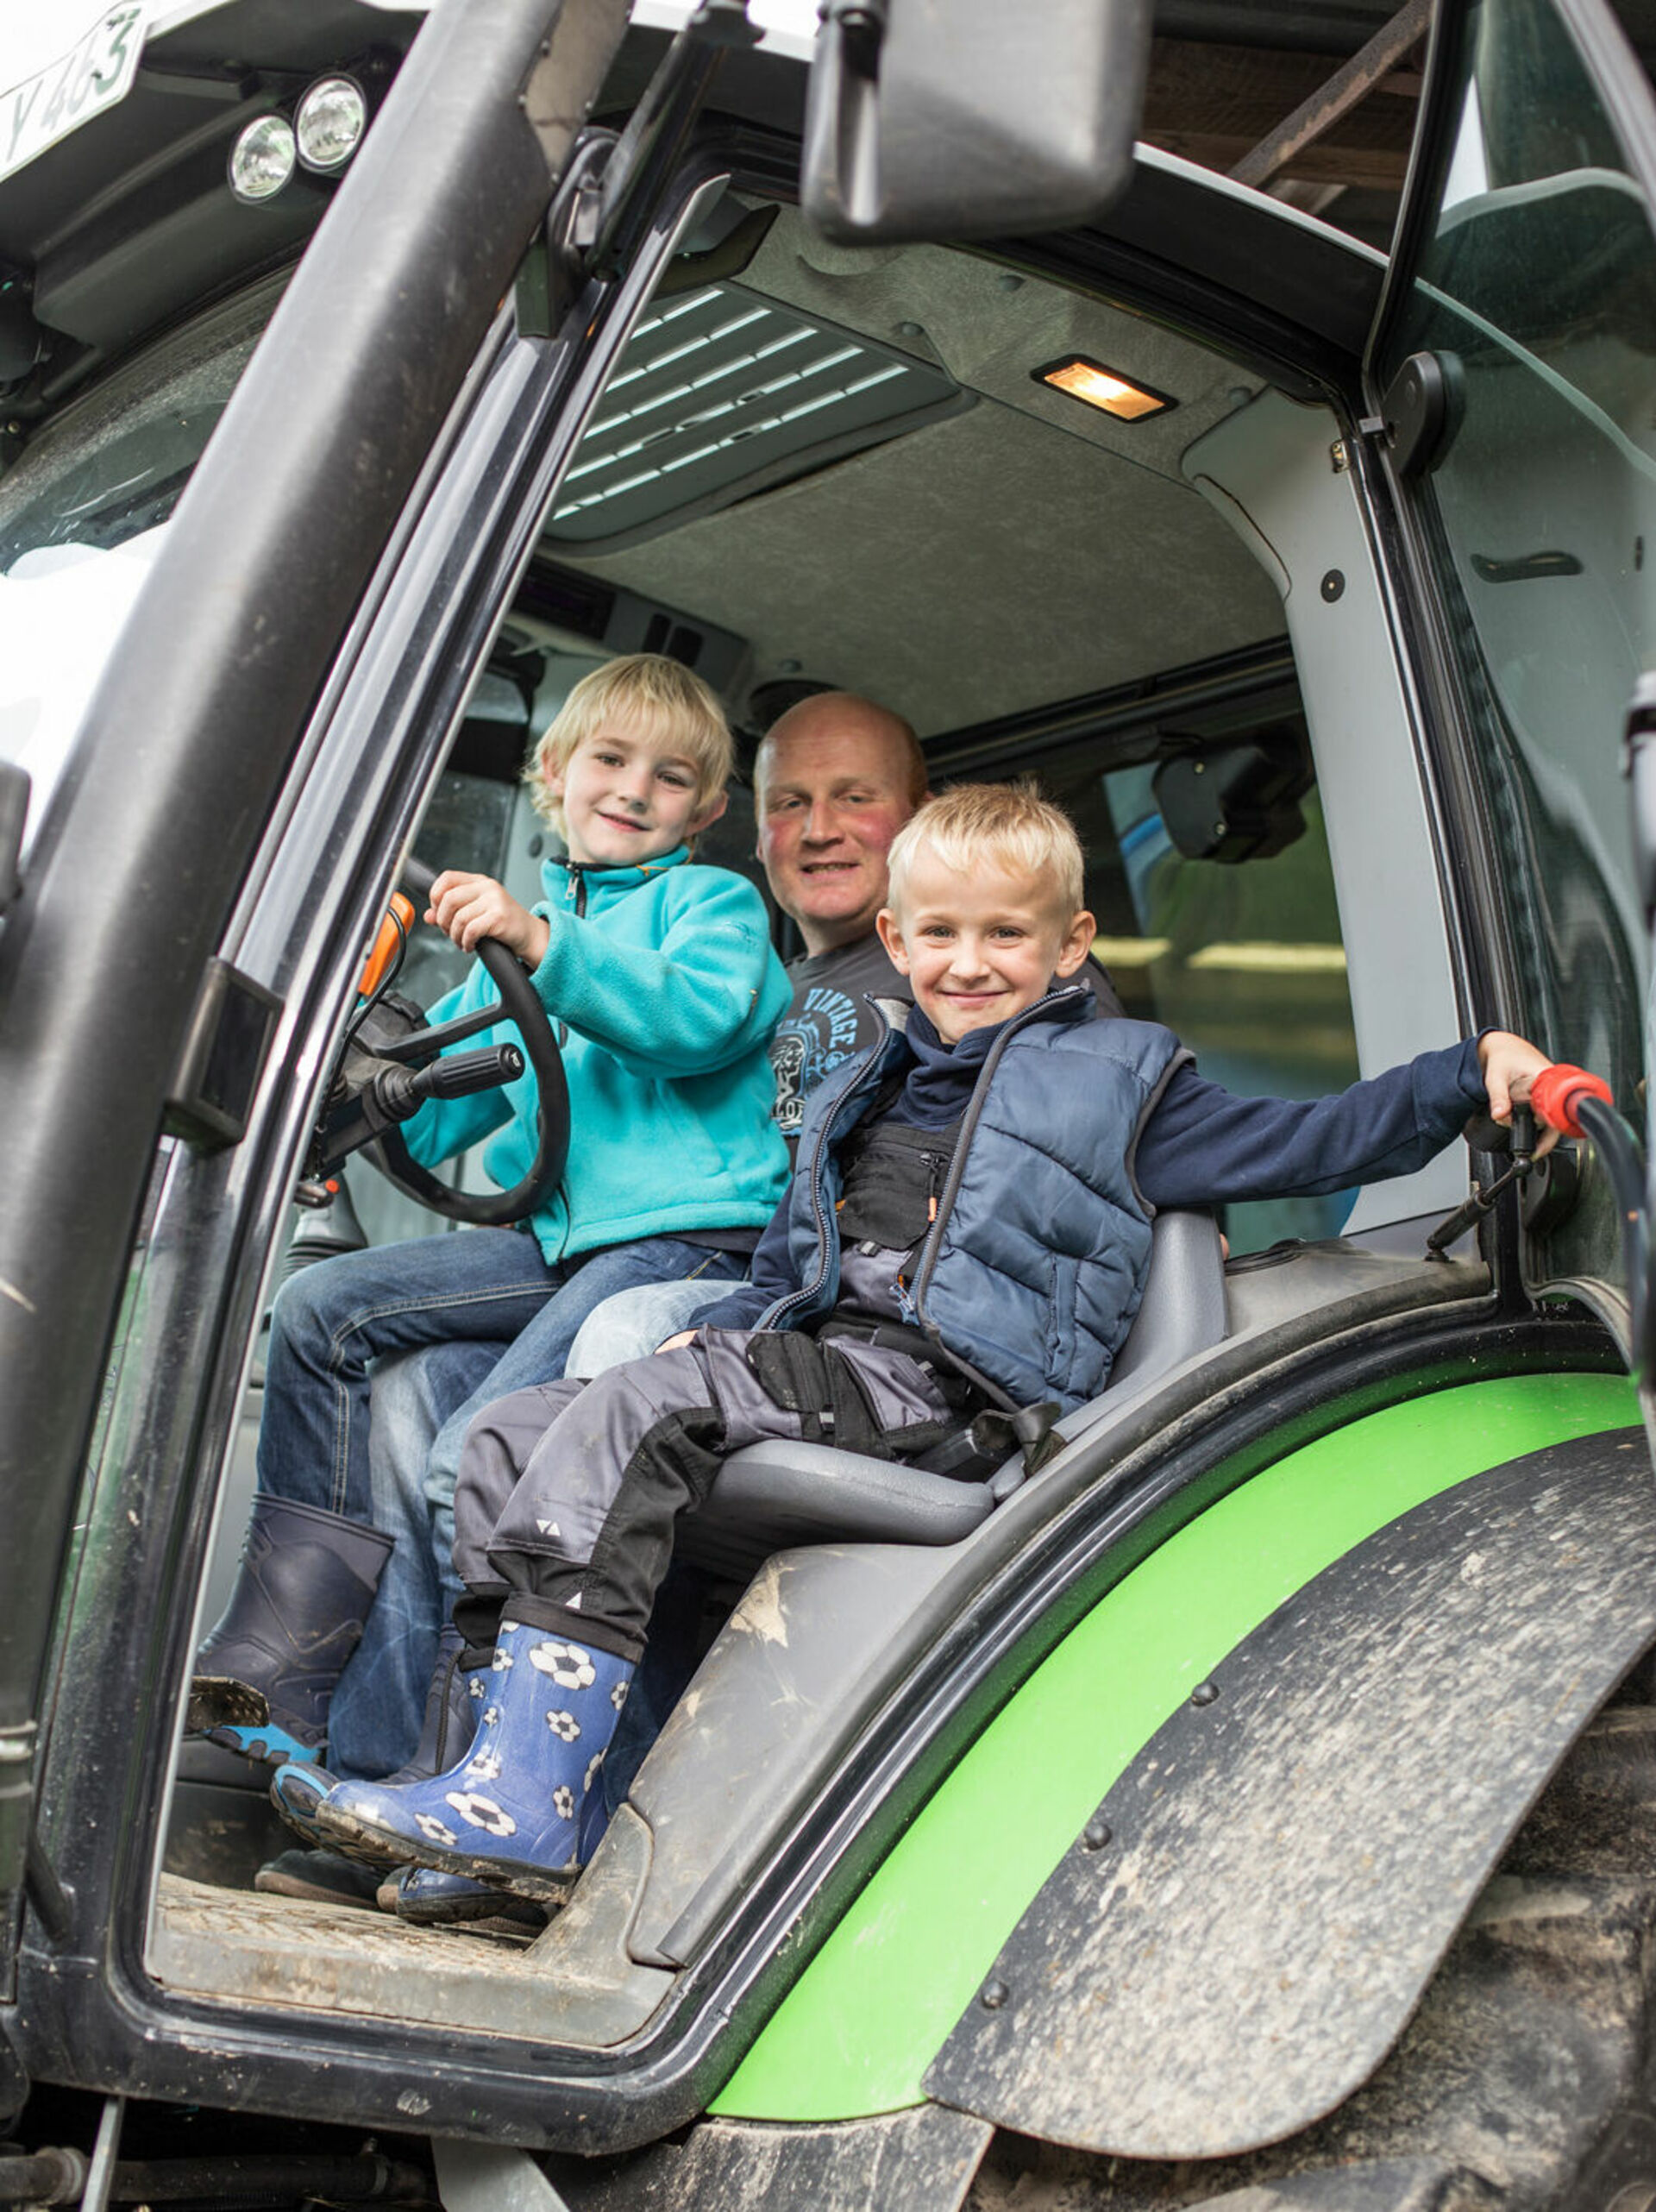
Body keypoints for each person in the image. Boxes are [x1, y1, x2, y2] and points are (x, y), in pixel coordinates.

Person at [310, 782, 1554, 1907]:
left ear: (1072, 944)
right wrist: (711, 1332)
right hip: (833, 1367)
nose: (970, 963)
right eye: (942, 935)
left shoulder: (1124, 1084)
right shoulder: (866, 1087)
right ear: (896, 945)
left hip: (952, 1395)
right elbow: (791, 1268)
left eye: (1006, 934)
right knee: (510, 1435)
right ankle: (510, 1800)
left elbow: (1311, 1141)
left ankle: (523, 1804)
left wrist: (1464, 1075)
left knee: (635, 1410)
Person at [191, 654, 792, 1787]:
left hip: (683, 1241)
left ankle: (451, 1765)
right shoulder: (519, 945)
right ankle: (297, 1663)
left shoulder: (711, 909)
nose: (634, 789)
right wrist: (344, 1114)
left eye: (670, 777)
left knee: (470, 1449)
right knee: (320, 1309)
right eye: (609, 759)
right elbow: (435, 1102)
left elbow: (697, 1020)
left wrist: (545, 947)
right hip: (556, 1244)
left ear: (707, 810)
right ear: (554, 772)